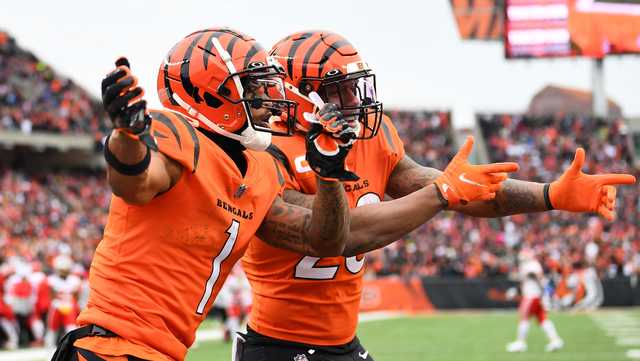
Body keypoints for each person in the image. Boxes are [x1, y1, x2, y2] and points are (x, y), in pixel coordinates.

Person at [238, 30, 637, 361]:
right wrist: (441, 194)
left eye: (356, 88)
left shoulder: (373, 136)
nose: (357, 102)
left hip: (343, 344)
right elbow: (338, 236)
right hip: (278, 346)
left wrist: (549, 194)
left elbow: (462, 189)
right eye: (340, 91)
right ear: (301, 93)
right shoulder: (263, 153)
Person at [51, 27, 360, 361]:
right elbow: (135, 182)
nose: (270, 98)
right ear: (213, 95)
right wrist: (125, 135)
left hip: (159, 352)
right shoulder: (176, 133)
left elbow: (325, 241)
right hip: (113, 348)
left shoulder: (261, 169)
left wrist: (328, 174)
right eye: (255, 88)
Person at [506, 249, 563, 352]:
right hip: (534, 295)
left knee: (524, 318)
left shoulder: (532, 264)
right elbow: (525, 281)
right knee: (543, 319)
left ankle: (520, 342)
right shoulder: (527, 265)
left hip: (532, 296)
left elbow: (536, 276)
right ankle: (555, 340)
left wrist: (527, 276)